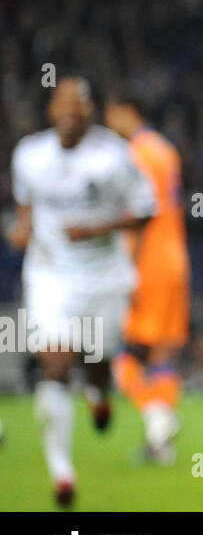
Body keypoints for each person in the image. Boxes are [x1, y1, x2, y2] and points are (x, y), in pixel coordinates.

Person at [6, 77, 156, 507]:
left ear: (89, 113)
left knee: (97, 360)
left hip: (104, 275)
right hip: (51, 274)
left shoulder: (114, 157)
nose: (71, 113)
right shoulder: (30, 155)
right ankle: (62, 473)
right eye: (63, 105)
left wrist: (96, 230)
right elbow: (26, 206)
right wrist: (22, 229)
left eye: (79, 106)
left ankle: (99, 393)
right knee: (55, 360)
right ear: (52, 111)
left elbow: (147, 211)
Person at [105, 91, 191, 464]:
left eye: (112, 113)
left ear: (128, 111)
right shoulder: (166, 150)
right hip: (176, 259)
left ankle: (158, 418)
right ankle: (161, 443)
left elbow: (139, 215)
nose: (108, 122)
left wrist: (124, 265)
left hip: (147, 264)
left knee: (120, 354)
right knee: (162, 353)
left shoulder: (134, 155)